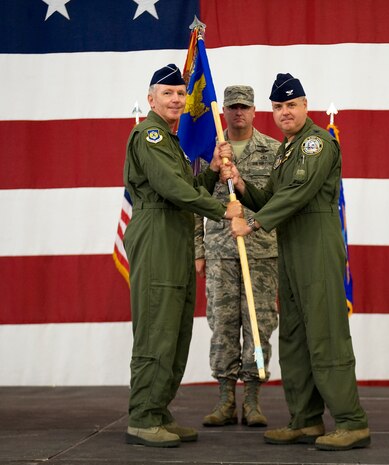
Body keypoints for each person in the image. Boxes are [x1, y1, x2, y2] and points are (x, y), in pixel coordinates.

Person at [227, 73, 370, 451]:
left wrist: (253, 223)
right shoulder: (286, 150)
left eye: (291, 105)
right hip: (291, 250)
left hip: (317, 246)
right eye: (278, 107)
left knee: (325, 336)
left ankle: (351, 422)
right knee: (294, 338)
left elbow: (296, 193)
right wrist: (241, 185)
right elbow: (271, 196)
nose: (285, 112)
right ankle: (305, 420)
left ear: (306, 106)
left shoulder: (315, 143)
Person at [122, 64, 242, 448]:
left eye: (179, 93)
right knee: (157, 328)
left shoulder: (171, 140)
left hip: (175, 234)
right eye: (168, 93)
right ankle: (142, 417)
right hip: (157, 233)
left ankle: (158, 410)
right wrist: (222, 209)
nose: (176, 99)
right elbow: (172, 188)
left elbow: (186, 186)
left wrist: (212, 171)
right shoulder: (151, 135)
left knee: (174, 331)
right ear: (151, 99)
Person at [194, 85, 280, 427]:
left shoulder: (274, 151)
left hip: (261, 254)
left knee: (259, 325)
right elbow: (193, 203)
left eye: (244, 107)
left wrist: (242, 186)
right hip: (219, 254)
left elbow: (278, 203)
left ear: (255, 110)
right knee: (223, 327)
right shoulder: (208, 153)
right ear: (223, 112)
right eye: (232, 107)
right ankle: (226, 400)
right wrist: (198, 250)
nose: (238, 113)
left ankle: (254, 399)